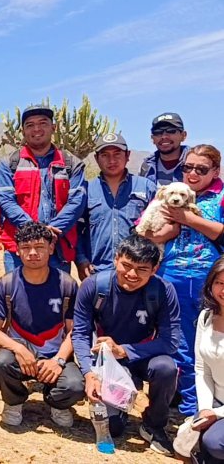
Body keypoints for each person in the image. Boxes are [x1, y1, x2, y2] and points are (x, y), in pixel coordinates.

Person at [72, 235, 181, 455]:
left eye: (142, 269)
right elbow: (81, 333)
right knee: (114, 428)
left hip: (143, 355)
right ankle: (118, 409)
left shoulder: (162, 291)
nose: (131, 275)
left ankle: (154, 424)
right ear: (115, 260)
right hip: (106, 361)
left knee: (166, 368)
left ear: (155, 269)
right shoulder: (94, 285)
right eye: (126, 265)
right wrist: (89, 374)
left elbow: (171, 341)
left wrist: (125, 350)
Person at [141, 144, 224, 416]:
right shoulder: (168, 194)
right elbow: (147, 232)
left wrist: (186, 218)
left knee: (200, 343)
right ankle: (173, 403)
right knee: (171, 339)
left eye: (201, 169)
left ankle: (196, 408)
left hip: (206, 279)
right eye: (188, 167)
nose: (193, 174)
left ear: (215, 171)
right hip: (169, 275)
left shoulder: (220, 197)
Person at [0, 222, 84, 428]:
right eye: (26, 248)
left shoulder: (67, 284)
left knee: (74, 385)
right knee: (0, 362)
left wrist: (59, 360)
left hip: (54, 352)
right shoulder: (6, 284)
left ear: (50, 248)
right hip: (21, 350)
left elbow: (74, 330)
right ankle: (14, 401)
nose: (32, 253)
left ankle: (56, 403)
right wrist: (18, 348)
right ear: (17, 251)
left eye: (39, 247)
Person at [0, 105, 87, 273]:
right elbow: (6, 201)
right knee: (17, 296)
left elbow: (77, 202)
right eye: (30, 125)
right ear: (23, 131)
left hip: (58, 248)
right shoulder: (8, 163)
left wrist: (50, 233)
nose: (36, 129)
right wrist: (37, 232)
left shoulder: (72, 163)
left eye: (43, 123)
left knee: (58, 297)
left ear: (54, 127)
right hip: (19, 249)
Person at [76, 134, 156, 279]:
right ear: (96, 158)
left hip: (137, 274)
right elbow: (77, 230)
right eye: (105, 155)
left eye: (117, 154)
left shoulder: (147, 187)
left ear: (128, 155)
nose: (111, 160)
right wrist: (81, 260)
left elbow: (161, 227)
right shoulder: (86, 190)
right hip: (98, 272)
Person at [185, 259, 224, 461]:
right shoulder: (206, 317)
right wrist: (206, 408)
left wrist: (216, 415)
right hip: (217, 400)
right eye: (220, 283)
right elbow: (202, 368)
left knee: (215, 442)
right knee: (188, 440)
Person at [140, 112, 189, 186]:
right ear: (152, 139)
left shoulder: (195, 164)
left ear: (183, 135)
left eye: (171, 131)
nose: (164, 136)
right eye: (158, 132)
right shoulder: (147, 168)